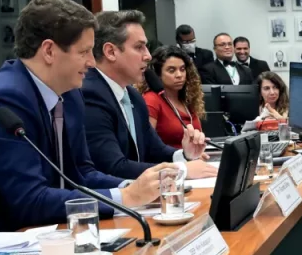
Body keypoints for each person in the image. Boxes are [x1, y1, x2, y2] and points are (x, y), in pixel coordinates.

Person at [0, 0, 173, 231]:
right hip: (16, 237)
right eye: (84, 52)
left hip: (63, 229)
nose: (92, 62)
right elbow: (28, 200)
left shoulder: (70, 93)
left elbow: (82, 173)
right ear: (49, 51)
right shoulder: (5, 100)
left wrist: (134, 187)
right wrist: (125, 198)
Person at [82, 11, 213, 181]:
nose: (148, 56)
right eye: (139, 47)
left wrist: (184, 154)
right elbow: (113, 166)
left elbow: (155, 149)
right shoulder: (90, 94)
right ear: (110, 52)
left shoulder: (133, 96)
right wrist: (182, 170)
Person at [143, 46, 206, 150]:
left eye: (182, 69)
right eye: (171, 70)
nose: (179, 75)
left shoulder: (188, 99)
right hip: (168, 159)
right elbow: (147, 145)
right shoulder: (151, 100)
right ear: (158, 74)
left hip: (192, 157)